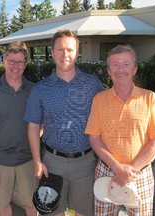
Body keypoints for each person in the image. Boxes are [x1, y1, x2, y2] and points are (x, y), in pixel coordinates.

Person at [24, 29, 105, 216]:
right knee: (52, 212)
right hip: (52, 163)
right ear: (52, 52)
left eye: (69, 49)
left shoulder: (92, 84)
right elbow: (33, 126)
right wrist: (37, 161)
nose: (65, 54)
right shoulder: (41, 89)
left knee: (85, 212)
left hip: (85, 163)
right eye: (59, 49)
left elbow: (109, 111)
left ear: (77, 52)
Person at [85, 44, 155, 216]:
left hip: (139, 173)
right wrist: (117, 168)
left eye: (126, 64)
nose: (120, 69)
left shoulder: (149, 98)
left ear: (135, 69)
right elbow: (94, 138)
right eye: (115, 65)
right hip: (106, 172)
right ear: (108, 70)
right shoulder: (99, 100)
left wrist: (130, 171)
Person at [0, 41, 38, 216]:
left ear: (25, 64)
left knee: (31, 204)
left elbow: (42, 124)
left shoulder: (34, 90)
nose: (15, 66)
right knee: (3, 205)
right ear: (4, 61)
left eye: (20, 62)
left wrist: (36, 153)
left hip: (27, 160)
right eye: (11, 61)